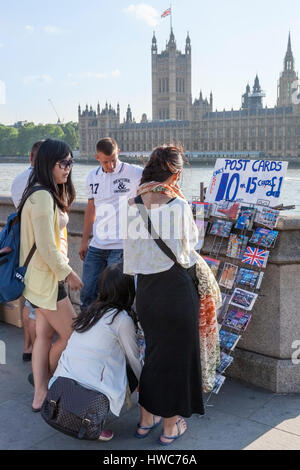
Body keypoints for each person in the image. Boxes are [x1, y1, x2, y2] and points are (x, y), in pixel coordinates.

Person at [124, 145, 206, 446]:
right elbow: (190, 245)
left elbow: (130, 256)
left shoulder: (132, 203)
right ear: (176, 172)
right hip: (175, 288)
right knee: (176, 358)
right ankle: (171, 427)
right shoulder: (178, 204)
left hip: (146, 291)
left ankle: (146, 421)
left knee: (155, 354)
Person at [19, 138, 83, 412]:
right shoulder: (44, 196)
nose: (68, 168)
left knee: (44, 336)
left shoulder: (36, 191)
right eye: (63, 163)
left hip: (37, 280)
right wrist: (69, 274)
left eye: (70, 162)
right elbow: (46, 245)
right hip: (49, 280)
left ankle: (40, 392)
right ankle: (49, 379)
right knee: (73, 334)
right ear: (48, 163)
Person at [47, 264, 141, 441]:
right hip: (89, 397)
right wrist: (145, 383)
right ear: (128, 291)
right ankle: (92, 421)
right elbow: (134, 357)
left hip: (58, 385)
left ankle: (81, 413)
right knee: (132, 370)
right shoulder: (121, 319)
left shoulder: (91, 310)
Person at [79, 137, 143, 312]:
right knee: (87, 294)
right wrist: (85, 240)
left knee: (117, 297)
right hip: (97, 245)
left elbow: (157, 187)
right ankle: (87, 331)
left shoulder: (135, 173)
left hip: (122, 246)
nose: (111, 166)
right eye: (106, 162)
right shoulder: (92, 177)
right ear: (97, 158)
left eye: (113, 160)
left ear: (118, 152)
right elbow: (91, 209)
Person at [11, 140, 44, 361]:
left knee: (28, 300)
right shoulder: (42, 183)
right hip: (39, 249)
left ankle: (27, 346)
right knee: (37, 307)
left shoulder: (17, 180)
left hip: (23, 247)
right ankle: (38, 350)